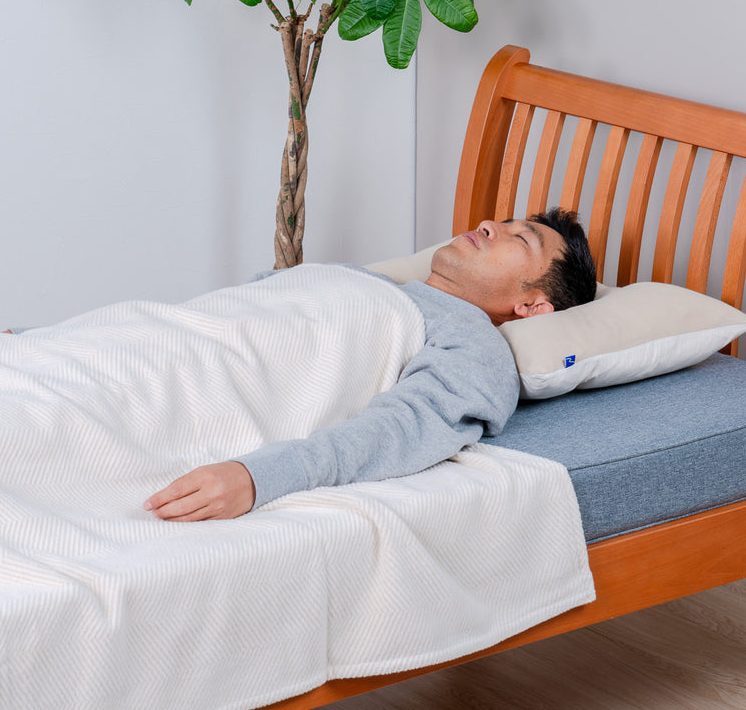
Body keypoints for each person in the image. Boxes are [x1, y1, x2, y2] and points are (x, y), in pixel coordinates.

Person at [144, 206, 597, 522]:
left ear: (532, 306)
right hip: (150, 340)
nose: (488, 225)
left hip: (175, 399)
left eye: (520, 238)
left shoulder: (475, 345)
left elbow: (399, 430)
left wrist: (257, 477)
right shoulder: (360, 278)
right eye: (503, 221)